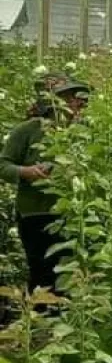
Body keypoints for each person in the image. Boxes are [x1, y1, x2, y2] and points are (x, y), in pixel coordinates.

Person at [0, 72, 89, 295]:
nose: (74, 103)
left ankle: (63, 321)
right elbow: (3, 165)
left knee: (69, 272)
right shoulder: (28, 130)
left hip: (73, 213)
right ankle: (40, 322)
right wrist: (26, 171)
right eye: (67, 98)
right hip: (36, 213)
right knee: (42, 272)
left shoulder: (83, 131)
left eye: (76, 98)